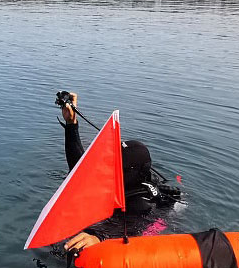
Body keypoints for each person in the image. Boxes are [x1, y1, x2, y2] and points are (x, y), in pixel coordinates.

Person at [56, 92, 179, 252]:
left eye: (114, 166)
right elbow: (80, 172)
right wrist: (72, 124)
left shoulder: (141, 202)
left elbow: (134, 224)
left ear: (128, 172)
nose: (107, 169)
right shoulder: (129, 180)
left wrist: (99, 236)